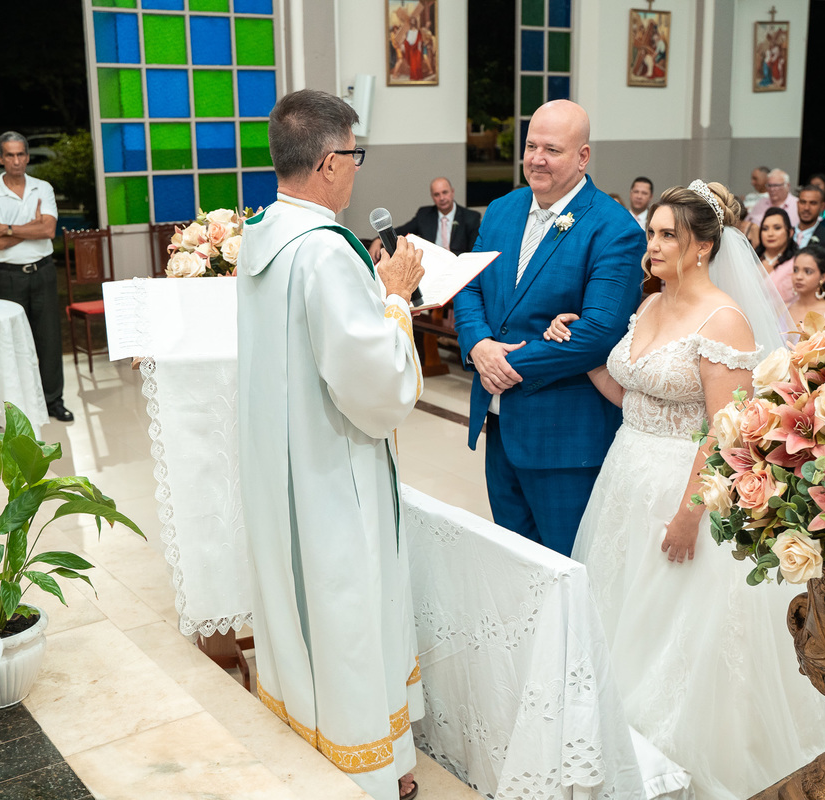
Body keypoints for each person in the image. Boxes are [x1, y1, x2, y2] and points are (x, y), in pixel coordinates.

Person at [545, 181, 825, 800]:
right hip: (626, 474)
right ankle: (609, 737)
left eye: (667, 235)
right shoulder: (650, 305)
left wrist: (686, 514)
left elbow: (724, 430)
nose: (652, 245)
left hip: (683, 486)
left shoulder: (722, 319)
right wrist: (587, 356)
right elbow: (636, 396)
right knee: (622, 606)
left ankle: (670, 753)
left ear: (704, 247)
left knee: (677, 625)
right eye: (651, 233)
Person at [235, 89, 425, 800]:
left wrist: (371, 295)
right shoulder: (324, 251)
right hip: (329, 467)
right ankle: (369, 767)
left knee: (301, 599)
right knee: (346, 604)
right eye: (354, 154)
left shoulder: (263, 232)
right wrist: (397, 296)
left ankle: (310, 736)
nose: (357, 169)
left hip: (283, 458)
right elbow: (376, 386)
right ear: (325, 162)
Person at [452, 99, 645, 557]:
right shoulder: (501, 210)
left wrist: (504, 362)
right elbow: (468, 286)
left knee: (566, 567)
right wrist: (478, 344)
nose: (536, 158)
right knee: (516, 562)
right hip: (499, 423)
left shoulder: (614, 229)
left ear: (583, 157)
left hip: (564, 439)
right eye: (531, 146)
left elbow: (597, 332)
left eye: (552, 150)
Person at [0, 131, 71, 423]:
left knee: (49, 340)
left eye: (21, 154)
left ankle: (53, 401)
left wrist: (7, 228)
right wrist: (30, 225)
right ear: (0, 159)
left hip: (42, 272)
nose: (16, 160)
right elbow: (0, 244)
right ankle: (19, 406)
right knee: (11, 342)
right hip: (8, 277)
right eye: (10, 155)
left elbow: (48, 231)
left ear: (27, 157)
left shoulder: (42, 188)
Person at [382, 176, 482, 256]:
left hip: (458, 266)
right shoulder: (424, 215)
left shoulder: (471, 217)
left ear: (452, 192)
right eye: (437, 194)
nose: (442, 198)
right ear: (432, 197)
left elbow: (473, 254)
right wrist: (378, 240)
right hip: (430, 266)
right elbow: (401, 232)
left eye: (445, 192)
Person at [786, 243, 825, 328]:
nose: (799, 277)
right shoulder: (783, 309)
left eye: (808, 271)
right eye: (795, 270)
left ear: (823, 277)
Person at [755, 206, 797, 303]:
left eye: (777, 228)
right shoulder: (750, 260)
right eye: (765, 229)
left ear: (790, 232)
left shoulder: (795, 263)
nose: (770, 234)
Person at [793, 184, 825, 256]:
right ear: (797, 204)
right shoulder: (784, 234)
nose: (806, 208)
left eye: (813, 203)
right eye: (803, 202)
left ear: (822, 206)